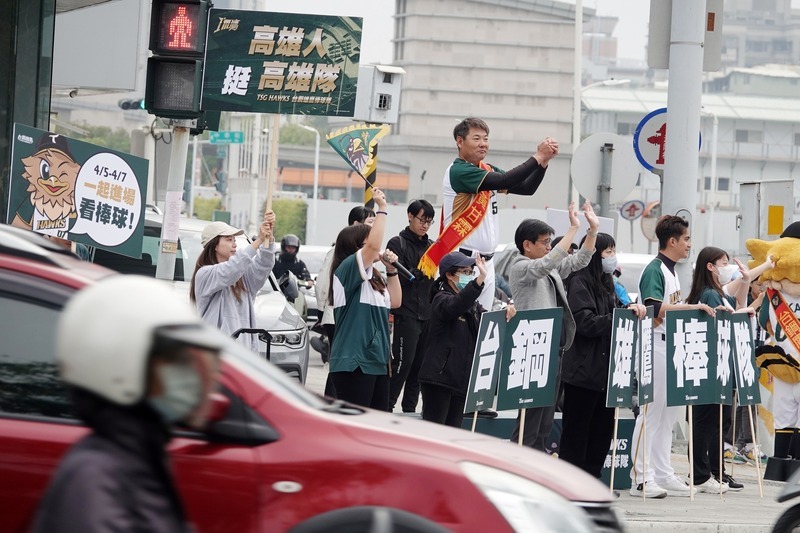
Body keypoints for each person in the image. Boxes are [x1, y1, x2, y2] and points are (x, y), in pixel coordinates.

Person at [33, 276, 223, 532]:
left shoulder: (141, 459)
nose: (193, 375)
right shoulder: (94, 479)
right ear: (121, 363)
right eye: (176, 361)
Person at [418, 117, 558, 311]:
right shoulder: (458, 170)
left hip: (487, 261)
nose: (483, 144)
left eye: (486, 138)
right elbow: (505, 180)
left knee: (480, 322)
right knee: (461, 322)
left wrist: (543, 163)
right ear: (460, 141)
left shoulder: (486, 170)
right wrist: (537, 156)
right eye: (476, 139)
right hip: (462, 262)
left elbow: (526, 188)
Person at [628, 215, 715, 499]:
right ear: (672, 241)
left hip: (671, 345)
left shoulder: (672, 270)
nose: (690, 244)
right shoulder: (655, 269)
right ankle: (641, 478)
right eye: (686, 239)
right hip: (654, 344)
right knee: (650, 414)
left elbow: (673, 305)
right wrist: (693, 308)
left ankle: (662, 473)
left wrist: (698, 308)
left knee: (668, 416)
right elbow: (653, 307)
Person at [507, 200, 599, 451]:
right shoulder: (521, 267)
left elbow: (578, 261)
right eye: (545, 242)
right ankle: (518, 465)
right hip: (533, 348)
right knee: (530, 416)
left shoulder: (547, 268)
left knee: (545, 418)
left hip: (552, 348)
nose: (549, 247)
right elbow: (545, 264)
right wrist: (571, 230)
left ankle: (534, 462)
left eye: (550, 241)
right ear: (527, 245)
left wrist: (591, 231)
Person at [559, 232, 647, 479]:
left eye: (613, 251)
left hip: (605, 372)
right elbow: (585, 322)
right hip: (583, 372)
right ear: (595, 255)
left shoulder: (605, 282)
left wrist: (628, 310)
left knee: (601, 431)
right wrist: (618, 319)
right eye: (607, 252)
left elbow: (614, 311)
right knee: (577, 433)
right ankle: (572, 484)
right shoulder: (579, 281)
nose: (612, 257)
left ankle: (592, 480)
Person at [684, 246, 755, 494]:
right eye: (723, 263)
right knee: (705, 421)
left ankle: (716, 472)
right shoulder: (709, 294)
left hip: (720, 367)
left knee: (718, 422)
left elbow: (737, 303)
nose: (728, 268)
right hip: (709, 367)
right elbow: (724, 322)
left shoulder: (717, 293)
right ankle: (702, 474)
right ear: (710, 266)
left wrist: (746, 282)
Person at [419, 252, 515, 427]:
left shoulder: (472, 305)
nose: (470, 276)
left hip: (461, 380)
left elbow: (487, 322)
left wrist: (505, 314)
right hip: (439, 379)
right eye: (465, 272)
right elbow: (455, 306)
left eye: (472, 272)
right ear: (449, 274)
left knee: (453, 432)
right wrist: (478, 283)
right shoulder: (441, 299)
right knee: (434, 433)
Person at [328, 188, 402, 410]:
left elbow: (396, 301)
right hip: (354, 363)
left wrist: (391, 270)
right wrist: (383, 209)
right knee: (355, 427)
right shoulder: (346, 270)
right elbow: (373, 246)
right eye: (366, 244)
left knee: (375, 427)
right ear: (354, 248)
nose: (374, 250)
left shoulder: (374, 277)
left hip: (377, 363)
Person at [189, 212, 276, 352]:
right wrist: (258, 240)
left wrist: (268, 239)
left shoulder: (242, 276)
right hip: (216, 354)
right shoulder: (205, 274)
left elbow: (263, 266)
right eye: (229, 240)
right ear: (214, 245)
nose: (234, 244)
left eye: (234, 240)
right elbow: (230, 270)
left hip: (243, 355)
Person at [387, 199, 436, 413]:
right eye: (421, 220)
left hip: (427, 314)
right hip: (405, 313)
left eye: (429, 222)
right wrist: (418, 272)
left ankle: (409, 410)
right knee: (401, 365)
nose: (425, 225)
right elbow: (398, 276)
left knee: (418, 368)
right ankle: (385, 407)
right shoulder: (397, 243)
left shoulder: (432, 246)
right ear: (410, 216)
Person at [313, 205, 376, 365]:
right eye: (370, 222)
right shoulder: (338, 252)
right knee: (339, 364)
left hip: (353, 318)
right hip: (337, 316)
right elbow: (322, 283)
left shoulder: (365, 255)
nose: (374, 227)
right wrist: (322, 312)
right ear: (356, 224)